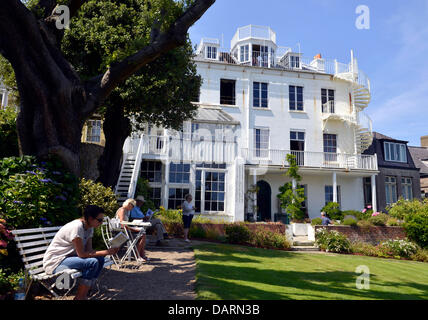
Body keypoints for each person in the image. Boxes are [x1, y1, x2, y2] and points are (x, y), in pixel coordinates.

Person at [43, 205, 120, 300]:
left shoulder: (89, 227)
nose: (101, 223)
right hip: (55, 262)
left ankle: (88, 288)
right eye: (99, 220)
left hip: (68, 258)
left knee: (100, 259)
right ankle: (80, 297)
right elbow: (82, 254)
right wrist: (106, 252)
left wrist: (108, 251)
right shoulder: (77, 228)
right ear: (90, 218)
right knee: (92, 262)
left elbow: (89, 251)